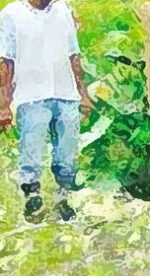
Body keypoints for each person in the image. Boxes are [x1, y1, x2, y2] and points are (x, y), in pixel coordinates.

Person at [0, 0, 92, 221]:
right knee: (31, 153)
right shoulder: (11, 14)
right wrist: (4, 105)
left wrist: (83, 93)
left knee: (67, 154)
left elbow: (74, 56)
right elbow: (6, 62)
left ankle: (63, 200)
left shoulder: (63, 11)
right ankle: (33, 200)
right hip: (31, 96)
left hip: (66, 94)